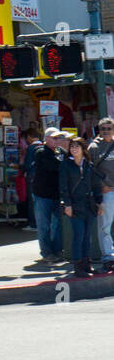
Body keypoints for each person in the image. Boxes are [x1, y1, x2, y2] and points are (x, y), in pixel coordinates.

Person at [60, 135, 102, 277]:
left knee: (87, 236)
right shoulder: (66, 165)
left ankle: (86, 264)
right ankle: (78, 266)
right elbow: (63, 186)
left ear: (83, 149)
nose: (74, 149)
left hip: (89, 204)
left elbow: (95, 185)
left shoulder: (88, 165)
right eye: (72, 147)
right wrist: (67, 204)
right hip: (75, 204)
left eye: (77, 146)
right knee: (78, 235)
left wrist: (99, 202)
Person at [31, 127, 67, 263]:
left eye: (59, 138)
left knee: (58, 224)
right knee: (44, 225)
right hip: (42, 194)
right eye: (54, 138)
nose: (57, 140)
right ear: (46, 138)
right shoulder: (40, 152)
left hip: (57, 194)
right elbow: (56, 166)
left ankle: (58, 250)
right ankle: (46, 252)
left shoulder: (60, 151)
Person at [87, 118, 114, 273]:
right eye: (103, 128)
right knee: (105, 226)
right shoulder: (94, 147)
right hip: (107, 192)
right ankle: (108, 257)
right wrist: (101, 186)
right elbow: (90, 170)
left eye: (109, 128)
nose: (106, 131)